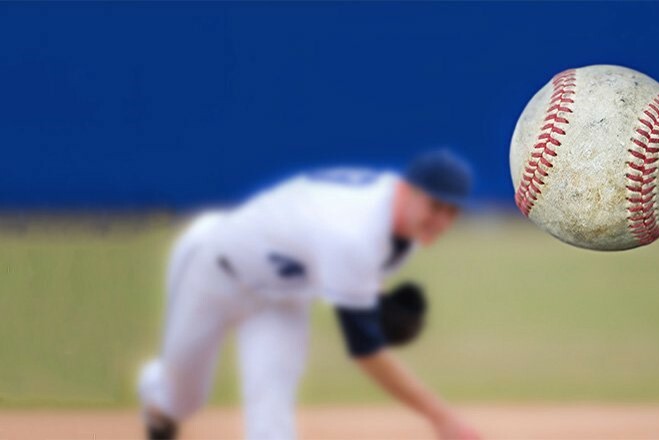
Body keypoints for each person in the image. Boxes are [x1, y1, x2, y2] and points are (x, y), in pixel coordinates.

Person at [138, 150, 481, 440]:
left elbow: (355, 266)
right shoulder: (356, 231)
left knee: (273, 421)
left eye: (452, 211)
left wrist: (377, 300)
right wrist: (441, 417)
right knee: (182, 400)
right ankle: (157, 388)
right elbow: (365, 350)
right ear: (408, 190)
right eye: (436, 206)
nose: (442, 220)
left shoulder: (402, 228)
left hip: (283, 300)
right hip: (215, 269)